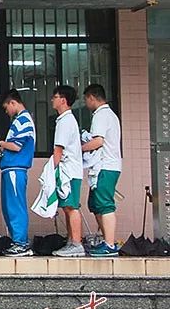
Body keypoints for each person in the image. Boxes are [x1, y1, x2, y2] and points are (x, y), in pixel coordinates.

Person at [0, 90, 36, 257]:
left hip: (15, 169)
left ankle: (21, 243)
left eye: (6, 108)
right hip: (10, 169)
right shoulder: (19, 121)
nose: (6, 112)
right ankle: (17, 241)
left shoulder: (23, 120)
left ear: (13, 103)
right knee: (9, 207)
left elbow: (16, 146)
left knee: (15, 206)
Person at [81, 84, 122, 257]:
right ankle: (107, 241)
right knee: (96, 204)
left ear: (91, 97)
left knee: (105, 204)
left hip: (106, 166)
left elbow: (98, 142)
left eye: (86, 99)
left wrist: (79, 148)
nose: (86, 103)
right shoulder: (109, 115)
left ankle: (110, 244)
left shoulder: (101, 115)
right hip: (104, 166)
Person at [51, 85, 86, 257]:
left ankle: (76, 243)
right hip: (70, 171)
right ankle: (71, 241)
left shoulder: (65, 121)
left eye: (55, 97)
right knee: (67, 207)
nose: (53, 100)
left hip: (68, 172)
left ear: (63, 100)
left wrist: (53, 171)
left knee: (71, 207)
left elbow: (58, 149)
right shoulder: (65, 120)